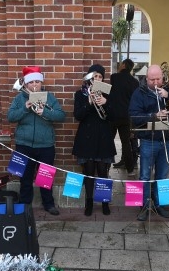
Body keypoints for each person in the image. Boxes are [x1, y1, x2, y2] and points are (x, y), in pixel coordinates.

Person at [128, 64, 169, 221]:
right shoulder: (139, 92)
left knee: (162, 174)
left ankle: (159, 204)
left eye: (158, 79)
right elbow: (133, 115)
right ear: (146, 78)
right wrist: (153, 115)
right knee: (145, 175)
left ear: (163, 77)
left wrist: (168, 95)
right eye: (152, 80)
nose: (155, 83)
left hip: (167, 138)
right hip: (149, 139)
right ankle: (144, 205)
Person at [7, 66, 65, 216]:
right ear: (25, 84)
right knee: (25, 177)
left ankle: (48, 204)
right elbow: (11, 117)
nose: (34, 85)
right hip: (24, 144)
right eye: (31, 82)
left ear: (41, 83)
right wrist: (25, 108)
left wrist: (44, 112)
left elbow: (61, 116)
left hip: (45, 145)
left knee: (46, 177)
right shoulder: (19, 98)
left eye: (37, 82)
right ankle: (25, 204)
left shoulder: (49, 97)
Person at [73, 64, 116, 216]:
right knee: (89, 171)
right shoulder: (80, 94)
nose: (97, 79)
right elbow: (78, 115)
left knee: (103, 171)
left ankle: (104, 202)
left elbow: (115, 116)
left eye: (99, 77)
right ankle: (89, 202)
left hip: (103, 138)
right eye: (94, 76)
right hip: (87, 138)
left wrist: (106, 103)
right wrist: (89, 103)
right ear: (89, 78)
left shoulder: (108, 94)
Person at [108, 59, 139, 175]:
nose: (119, 65)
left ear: (124, 65)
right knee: (126, 143)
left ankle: (105, 167)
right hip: (127, 117)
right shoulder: (135, 82)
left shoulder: (114, 77)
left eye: (121, 63)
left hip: (113, 115)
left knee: (109, 141)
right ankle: (130, 170)